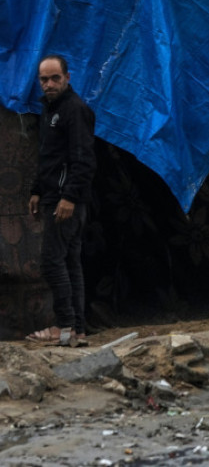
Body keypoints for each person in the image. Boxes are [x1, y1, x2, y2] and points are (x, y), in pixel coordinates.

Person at [26, 55, 95, 347]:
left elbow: (83, 160)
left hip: (66, 202)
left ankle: (63, 326)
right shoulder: (50, 109)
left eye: (55, 78)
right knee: (69, 262)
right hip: (56, 195)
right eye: (44, 79)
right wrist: (37, 189)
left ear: (68, 77)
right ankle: (75, 330)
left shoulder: (73, 110)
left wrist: (69, 197)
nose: (50, 84)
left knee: (52, 262)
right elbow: (51, 157)